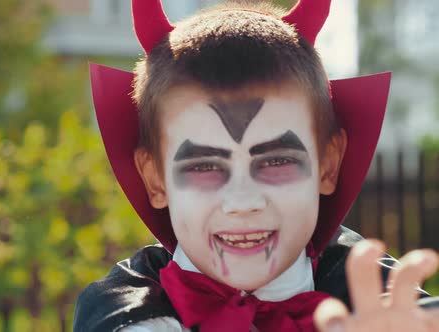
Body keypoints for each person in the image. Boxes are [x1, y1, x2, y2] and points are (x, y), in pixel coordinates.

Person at [75, 0, 439, 331]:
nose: (242, 201)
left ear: (328, 165)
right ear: (155, 179)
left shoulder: (382, 304)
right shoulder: (125, 314)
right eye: (204, 166)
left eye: (276, 160)